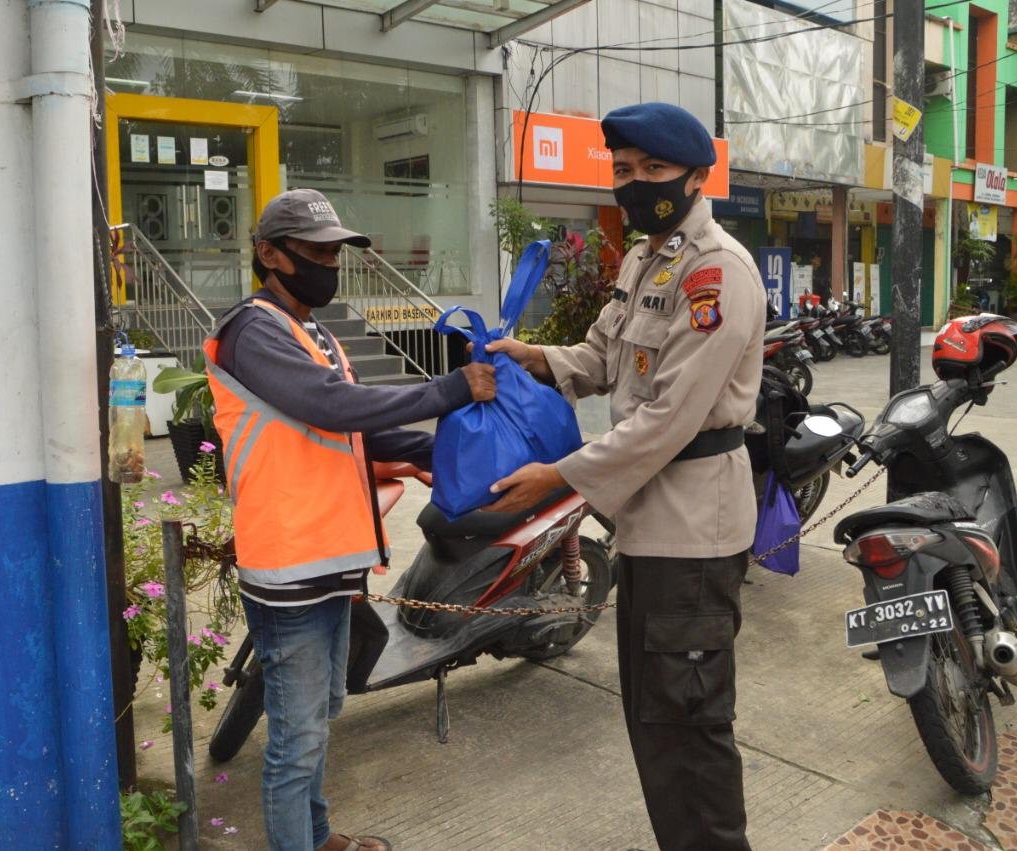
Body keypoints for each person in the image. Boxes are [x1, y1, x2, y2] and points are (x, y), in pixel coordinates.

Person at [483, 102, 766, 851]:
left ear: (699, 177)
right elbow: (603, 359)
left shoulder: (715, 274)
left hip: (693, 533)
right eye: (624, 171)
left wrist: (561, 477)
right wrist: (533, 356)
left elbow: (670, 418)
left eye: (654, 170)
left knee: (689, 732)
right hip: (649, 525)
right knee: (656, 723)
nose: (635, 184)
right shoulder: (648, 257)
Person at [203, 188, 496, 851]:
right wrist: (451, 388)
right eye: (314, 251)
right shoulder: (252, 329)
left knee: (322, 712)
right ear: (269, 254)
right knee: (297, 736)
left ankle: (316, 833)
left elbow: (355, 428)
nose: (328, 263)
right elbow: (330, 406)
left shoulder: (315, 332)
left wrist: (440, 453)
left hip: (333, 557)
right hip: (289, 563)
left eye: (335, 251)